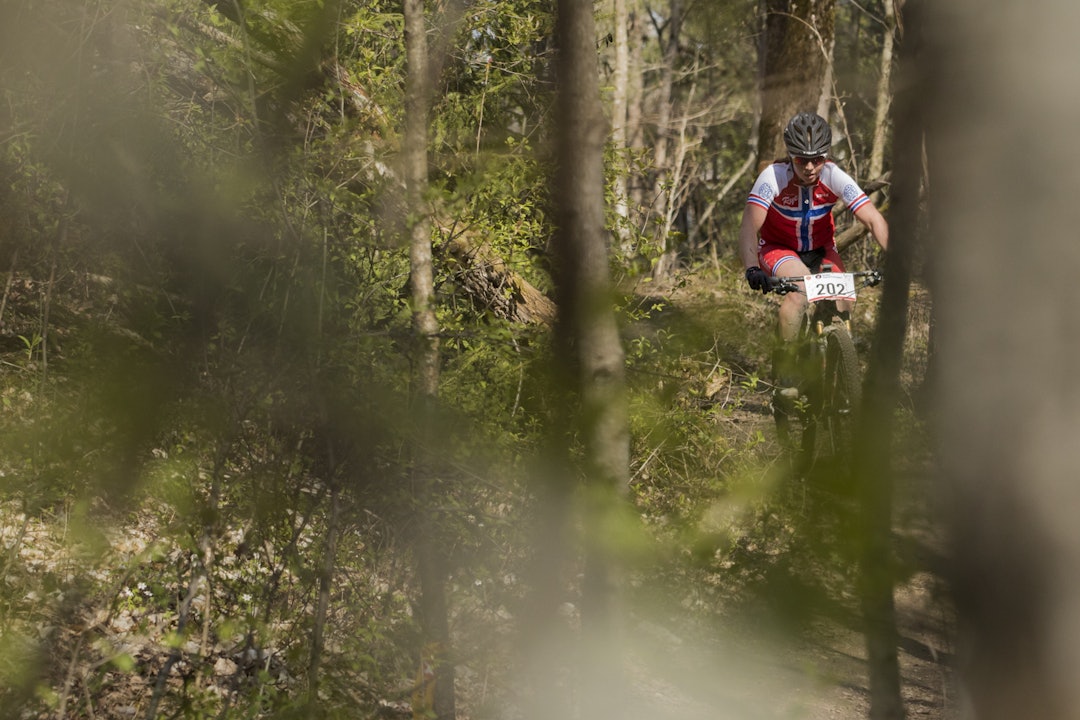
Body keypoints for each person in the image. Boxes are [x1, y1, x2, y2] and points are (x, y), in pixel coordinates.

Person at [738, 111, 889, 397]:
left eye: (817, 159)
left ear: (825, 157)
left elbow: (872, 218)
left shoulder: (833, 175)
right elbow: (748, 227)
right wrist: (751, 268)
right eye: (801, 159)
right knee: (800, 292)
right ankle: (786, 375)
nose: (810, 167)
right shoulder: (772, 177)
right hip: (779, 249)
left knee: (845, 299)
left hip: (821, 250)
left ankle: (840, 367)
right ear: (790, 156)